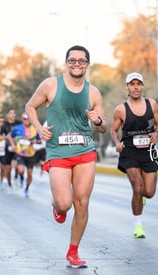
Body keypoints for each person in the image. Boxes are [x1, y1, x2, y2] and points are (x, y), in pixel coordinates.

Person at [25, 45, 107, 268]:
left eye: (81, 61)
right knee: (64, 204)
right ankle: (57, 206)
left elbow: (103, 127)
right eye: (73, 60)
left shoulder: (93, 92)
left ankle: (73, 252)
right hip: (58, 151)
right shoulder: (51, 85)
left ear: (87, 65)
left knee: (82, 202)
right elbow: (30, 106)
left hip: (84, 151)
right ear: (66, 63)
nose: (77, 64)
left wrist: (98, 121)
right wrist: (38, 128)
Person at [110, 72, 158, 239]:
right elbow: (113, 130)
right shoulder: (121, 109)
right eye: (132, 84)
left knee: (149, 192)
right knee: (138, 187)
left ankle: (141, 198)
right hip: (130, 152)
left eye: (138, 84)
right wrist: (117, 143)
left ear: (142, 86)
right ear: (127, 87)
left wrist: (157, 134)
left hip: (148, 151)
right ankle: (138, 226)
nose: (135, 87)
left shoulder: (152, 104)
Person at [10, 112, 42, 197]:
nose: (27, 121)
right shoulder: (17, 128)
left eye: (28, 119)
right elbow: (10, 136)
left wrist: (34, 142)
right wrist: (13, 145)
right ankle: (21, 177)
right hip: (20, 153)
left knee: (30, 173)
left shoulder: (34, 129)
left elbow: (40, 141)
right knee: (20, 170)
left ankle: (27, 188)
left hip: (30, 154)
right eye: (25, 119)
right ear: (22, 119)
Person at [0, 108, 22, 194]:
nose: (13, 115)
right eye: (11, 113)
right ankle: (9, 185)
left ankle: (16, 177)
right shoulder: (4, 125)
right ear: (8, 115)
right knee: (8, 169)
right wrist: (7, 137)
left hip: (17, 147)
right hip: (8, 148)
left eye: (14, 113)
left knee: (17, 167)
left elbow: (24, 132)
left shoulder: (19, 123)